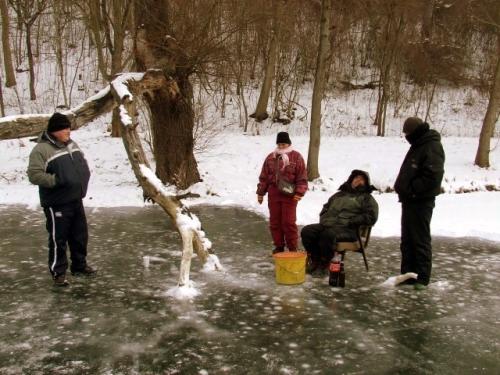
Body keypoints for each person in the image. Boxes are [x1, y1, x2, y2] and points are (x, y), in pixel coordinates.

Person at [27, 112, 95, 287]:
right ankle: (58, 273)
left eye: (69, 127)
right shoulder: (41, 149)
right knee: (59, 239)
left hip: (75, 198)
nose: (68, 131)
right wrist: (56, 181)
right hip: (57, 202)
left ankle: (79, 266)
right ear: (55, 130)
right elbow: (34, 175)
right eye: (65, 128)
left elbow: (82, 162)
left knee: (80, 235)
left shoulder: (71, 144)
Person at [394, 117, 445, 290]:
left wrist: (412, 189)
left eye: (408, 133)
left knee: (420, 240)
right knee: (407, 240)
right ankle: (408, 274)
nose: (406, 137)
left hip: (421, 203)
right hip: (409, 201)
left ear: (416, 132)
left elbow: (432, 177)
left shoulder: (432, 146)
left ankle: (422, 278)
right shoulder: (418, 145)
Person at [301, 170, 378, 276]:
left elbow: (371, 216)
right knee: (307, 231)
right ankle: (316, 260)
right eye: (356, 178)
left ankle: (325, 263)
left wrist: (353, 221)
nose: (358, 180)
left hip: (349, 229)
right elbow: (326, 207)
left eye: (361, 179)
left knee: (327, 235)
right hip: (329, 225)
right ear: (351, 180)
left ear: (366, 183)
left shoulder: (366, 198)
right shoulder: (338, 195)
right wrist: (324, 218)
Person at [257, 132, 308, 254]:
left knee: (288, 222)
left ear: (288, 143)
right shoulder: (271, 157)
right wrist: (260, 193)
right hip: (273, 194)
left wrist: (299, 192)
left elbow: (302, 177)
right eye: (279, 144)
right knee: (275, 222)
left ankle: (292, 247)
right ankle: (279, 246)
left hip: (289, 194)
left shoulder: (296, 157)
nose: (281, 146)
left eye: (283, 144)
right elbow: (264, 177)